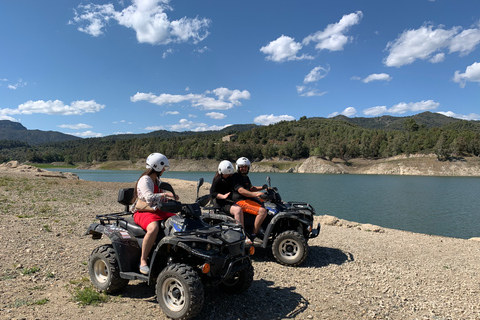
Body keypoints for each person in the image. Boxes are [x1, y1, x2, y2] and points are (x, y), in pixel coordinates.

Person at [133, 153, 178, 275]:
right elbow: (149, 198)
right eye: (163, 167)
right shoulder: (145, 180)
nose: (164, 170)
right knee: (153, 228)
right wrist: (165, 194)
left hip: (157, 210)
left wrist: (171, 199)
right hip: (143, 211)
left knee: (178, 221)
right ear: (157, 166)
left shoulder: (157, 180)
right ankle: (143, 261)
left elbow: (160, 200)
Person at [232, 157, 268, 245]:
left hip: (247, 199)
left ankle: (259, 227)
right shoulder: (235, 177)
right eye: (242, 167)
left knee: (265, 204)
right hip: (239, 201)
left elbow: (251, 188)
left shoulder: (245, 177)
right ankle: (254, 235)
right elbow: (241, 190)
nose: (244, 168)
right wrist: (256, 194)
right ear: (238, 167)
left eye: (246, 167)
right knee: (262, 212)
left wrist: (264, 188)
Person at [210, 160, 244, 227]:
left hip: (230, 201)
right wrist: (222, 196)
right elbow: (212, 193)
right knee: (238, 210)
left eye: (228, 174)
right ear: (221, 172)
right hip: (222, 203)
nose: (227, 176)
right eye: (225, 174)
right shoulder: (218, 180)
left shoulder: (230, 178)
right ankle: (240, 231)